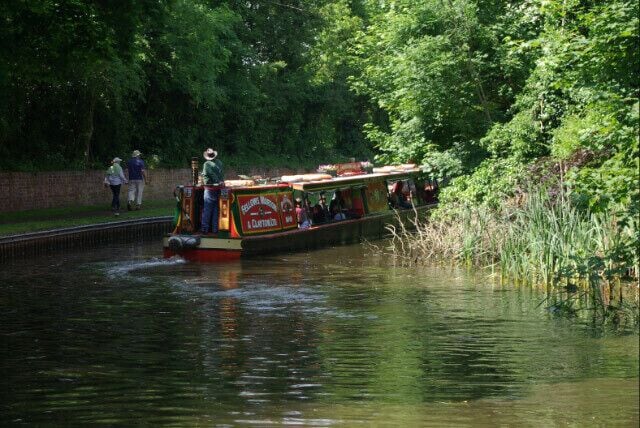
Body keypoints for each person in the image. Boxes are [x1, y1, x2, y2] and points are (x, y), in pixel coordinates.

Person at [200, 148, 224, 234]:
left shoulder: (206, 164)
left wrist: (216, 181)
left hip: (209, 189)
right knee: (215, 209)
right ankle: (215, 229)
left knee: (207, 209)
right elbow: (221, 175)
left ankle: (205, 229)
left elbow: (211, 174)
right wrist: (220, 182)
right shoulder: (219, 163)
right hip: (218, 189)